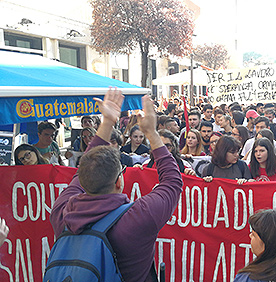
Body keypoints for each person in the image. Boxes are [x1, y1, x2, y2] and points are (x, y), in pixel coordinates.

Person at [50, 89, 183, 281]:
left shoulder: (61, 212)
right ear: (120, 181)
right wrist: (152, 133)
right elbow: (172, 181)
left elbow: (84, 169)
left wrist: (106, 123)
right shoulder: (139, 216)